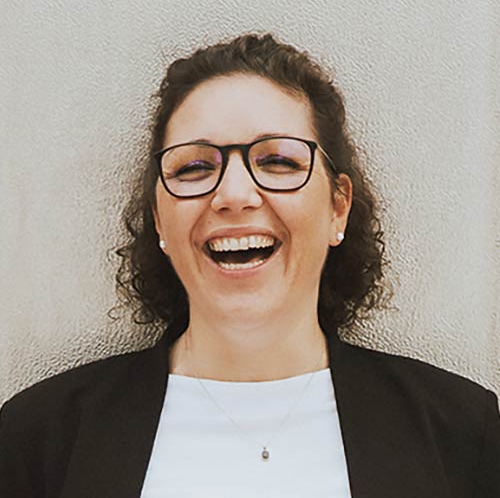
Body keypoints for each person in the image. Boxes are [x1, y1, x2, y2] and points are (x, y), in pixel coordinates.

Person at [0, 32, 499, 498]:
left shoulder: (462, 432)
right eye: (195, 167)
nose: (234, 194)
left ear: (338, 207)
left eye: (278, 161)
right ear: (159, 220)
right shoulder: (38, 438)